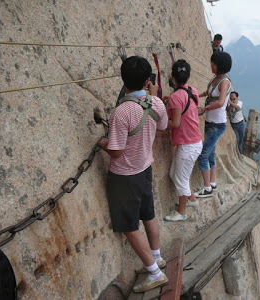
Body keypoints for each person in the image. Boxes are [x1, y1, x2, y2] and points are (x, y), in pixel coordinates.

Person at [98, 56, 169, 293]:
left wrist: (101, 142)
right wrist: (155, 95)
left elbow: (116, 152)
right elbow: (162, 126)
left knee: (129, 226)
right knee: (148, 214)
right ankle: (156, 257)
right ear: (148, 80)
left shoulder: (122, 111)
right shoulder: (156, 104)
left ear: (123, 80)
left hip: (125, 176)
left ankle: (154, 272)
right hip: (145, 168)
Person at [162, 60, 203, 222]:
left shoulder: (175, 97)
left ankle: (181, 212)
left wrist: (160, 123)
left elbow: (175, 123)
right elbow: (187, 106)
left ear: (173, 76)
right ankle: (192, 200)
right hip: (194, 141)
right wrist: (172, 100)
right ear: (188, 75)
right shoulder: (193, 91)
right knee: (175, 174)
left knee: (181, 179)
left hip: (188, 145)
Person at [196, 52, 232, 198]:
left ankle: (207, 188)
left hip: (217, 124)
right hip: (211, 122)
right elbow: (209, 93)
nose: (211, 65)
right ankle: (213, 182)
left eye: (213, 63)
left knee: (203, 156)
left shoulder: (224, 82)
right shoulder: (215, 79)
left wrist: (204, 109)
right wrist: (196, 95)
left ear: (220, 65)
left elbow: (221, 102)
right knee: (211, 154)